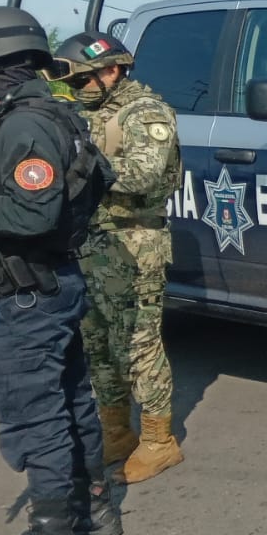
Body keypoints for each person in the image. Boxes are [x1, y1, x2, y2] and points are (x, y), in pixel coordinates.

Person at [0, 7, 119, 535]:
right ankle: (93, 511)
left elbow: (32, 215)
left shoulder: (25, 127)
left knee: (37, 422)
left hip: (24, 296)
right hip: (47, 287)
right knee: (70, 403)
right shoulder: (46, 113)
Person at [48, 33, 184, 483]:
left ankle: (159, 441)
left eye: (83, 79)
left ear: (112, 70)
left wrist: (81, 170)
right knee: (98, 344)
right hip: (90, 242)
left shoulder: (146, 112)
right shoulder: (87, 112)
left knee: (138, 344)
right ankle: (117, 430)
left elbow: (145, 175)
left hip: (134, 243)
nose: (78, 88)